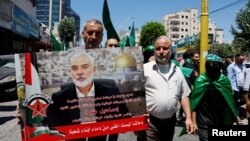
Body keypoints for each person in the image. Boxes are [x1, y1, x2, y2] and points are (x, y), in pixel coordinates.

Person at [43, 52, 129, 141]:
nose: (79, 72)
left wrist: (141, 122)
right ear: (71, 72)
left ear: (94, 70)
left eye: (85, 67)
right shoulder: (59, 98)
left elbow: (126, 120)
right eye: (75, 68)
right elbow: (47, 129)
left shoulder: (111, 93)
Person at [143, 36, 194, 141]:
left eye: (165, 48)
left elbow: (184, 95)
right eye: (158, 48)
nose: (161, 51)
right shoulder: (145, 69)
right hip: (150, 123)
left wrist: (188, 118)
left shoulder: (178, 71)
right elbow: (135, 95)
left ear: (170, 50)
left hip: (170, 123)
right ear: (154, 51)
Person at [191, 54, 238, 141]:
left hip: (221, 118)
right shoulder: (200, 80)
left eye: (214, 65)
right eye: (209, 65)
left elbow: (230, 102)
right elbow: (194, 103)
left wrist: (234, 120)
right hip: (204, 120)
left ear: (219, 66)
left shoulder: (224, 80)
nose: (212, 67)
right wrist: (194, 122)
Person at [227, 53, 247, 120]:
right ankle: (236, 116)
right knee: (235, 101)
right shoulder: (231, 66)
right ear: (236, 58)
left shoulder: (243, 65)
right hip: (235, 87)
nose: (242, 61)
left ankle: (237, 110)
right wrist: (231, 88)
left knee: (244, 100)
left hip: (243, 86)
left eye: (243, 59)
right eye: (241, 59)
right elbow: (229, 78)